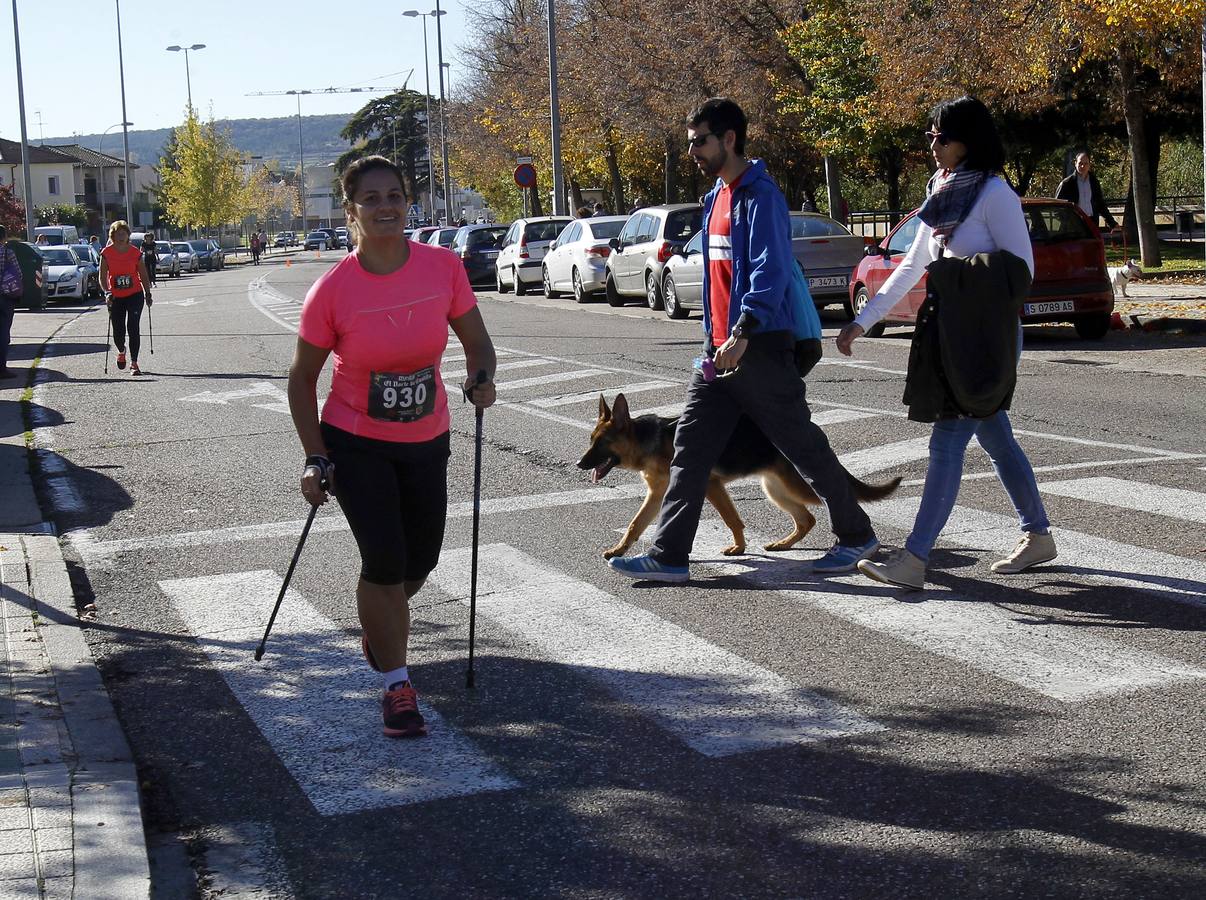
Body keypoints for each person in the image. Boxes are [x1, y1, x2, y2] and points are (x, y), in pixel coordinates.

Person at [608, 97, 879, 583]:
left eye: (700, 141)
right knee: (689, 448)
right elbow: (719, 279)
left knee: (802, 446)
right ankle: (671, 555)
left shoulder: (760, 196)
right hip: (718, 353)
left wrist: (744, 330)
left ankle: (857, 535)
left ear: (729, 139)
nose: (693, 150)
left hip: (757, 346)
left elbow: (768, 271)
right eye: (691, 142)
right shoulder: (716, 197)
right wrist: (713, 341)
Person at [288, 155, 497, 738]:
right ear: (351, 212)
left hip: (427, 436)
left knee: (420, 560)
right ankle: (397, 684)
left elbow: (478, 344)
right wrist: (315, 454)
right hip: (356, 441)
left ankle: (380, 627)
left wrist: (482, 377)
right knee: (383, 559)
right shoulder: (333, 291)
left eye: (395, 196)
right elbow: (301, 380)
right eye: (372, 199)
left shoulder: (442, 268)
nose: (386, 207)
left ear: (408, 203)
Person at [836, 96, 1057, 590]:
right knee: (996, 434)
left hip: (987, 336)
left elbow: (1022, 272)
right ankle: (1038, 534)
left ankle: (914, 558)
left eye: (942, 137)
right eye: (931, 136)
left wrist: (954, 272)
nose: (933, 146)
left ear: (968, 142)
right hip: (950, 332)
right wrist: (864, 320)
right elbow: (915, 262)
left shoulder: (996, 193)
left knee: (948, 440)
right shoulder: (943, 189)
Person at [99, 221, 153, 376]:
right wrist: (107, 292)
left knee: (133, 327)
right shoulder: (106, 253)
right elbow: (102, 276)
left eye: (124, 233)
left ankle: (134, 363)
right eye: (118, 234)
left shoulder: (135, 252)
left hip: (135, 294)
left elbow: (143, 274)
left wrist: (147, 293)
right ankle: (121, 350)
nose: (121, 237)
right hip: (115, 296)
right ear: (113, 235)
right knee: (118, 331)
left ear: (128, 235)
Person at [1056, 152, 1118, 232]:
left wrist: (1112, 224)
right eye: (1080, 163)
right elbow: (1057, 207)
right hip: (1074, 224)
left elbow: (1101, 205)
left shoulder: (1094, 182)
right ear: (1075, 164)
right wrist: (1067, 221)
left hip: (1091, 222)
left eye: (1086, 163)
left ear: (1089, 165)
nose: (1083, 166)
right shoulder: (1067, 183)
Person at [0, 226, 20, 380]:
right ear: (4, 237)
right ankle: (2, 368)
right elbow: (17, 273)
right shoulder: (8, 252)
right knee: (3, 332)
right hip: (5, 296)